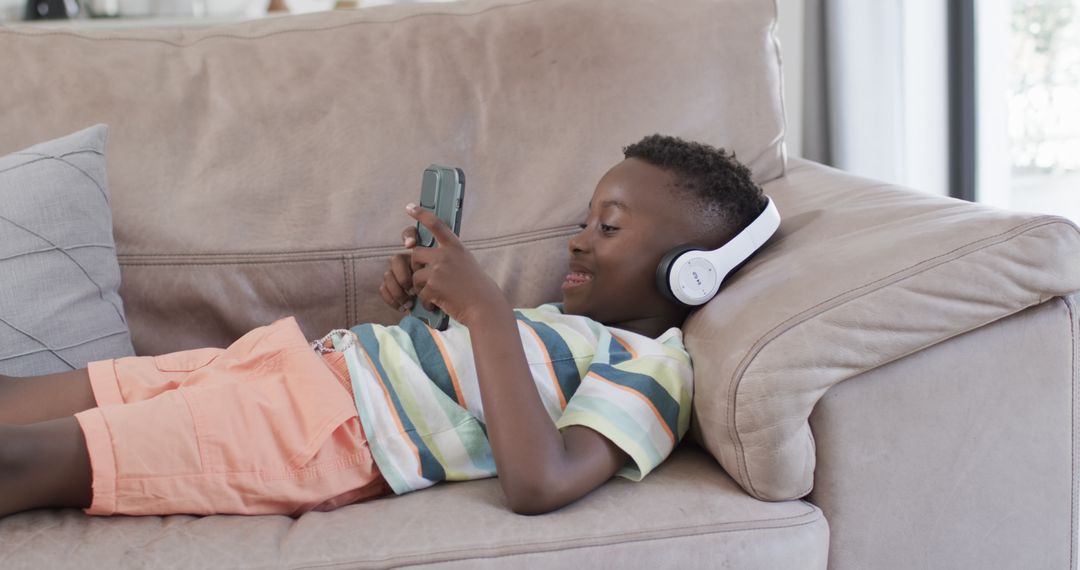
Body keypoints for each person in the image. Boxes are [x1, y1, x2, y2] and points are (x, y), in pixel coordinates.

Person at [0, 134, 769, 518]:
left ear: (691, 272)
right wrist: (432, 314)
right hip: (291, 366)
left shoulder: (654, 366)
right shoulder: (554, 323)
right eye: (583, 221)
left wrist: (485, 311)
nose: (577, 240)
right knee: (17, 398)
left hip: (320, 431)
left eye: (608, 227)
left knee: (26, 459)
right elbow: (457, 387)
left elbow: (543, 479)